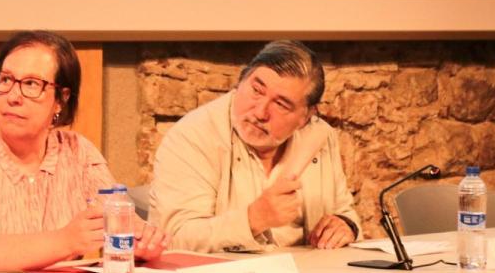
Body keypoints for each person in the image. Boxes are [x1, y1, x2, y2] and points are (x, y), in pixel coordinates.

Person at [0, 30, 168, 272]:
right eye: (5, 80)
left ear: (61, 98)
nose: (14, 96)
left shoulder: (78, 152)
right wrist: (65, 241)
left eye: (31, 84)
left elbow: (121, 222)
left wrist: (141, 241)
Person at [150, 40, 361, 253]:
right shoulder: (193, 135)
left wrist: (345, 225)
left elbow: (345, 212)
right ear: (240, 82)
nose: (260, 112)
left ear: (306, 117)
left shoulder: (320, 136)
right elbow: (175, 238)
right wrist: (254, 219)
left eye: (281, 104)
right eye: (257, 90)